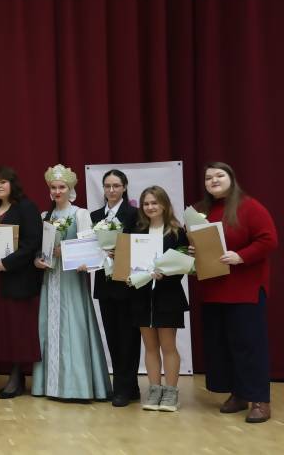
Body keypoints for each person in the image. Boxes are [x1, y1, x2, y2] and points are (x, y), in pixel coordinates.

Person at [192, 162, 277, 423]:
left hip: (245, 289)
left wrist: (241, 256)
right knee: (223, 346)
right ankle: (239, 394)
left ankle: (260, 399)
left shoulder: (249, 207)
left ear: (231, 178)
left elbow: (269, 240)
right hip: (213, 289)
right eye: (209, 177)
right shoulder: (200, 211)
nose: (214, 180)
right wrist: (194, 249)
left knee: (249, 346)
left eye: (220, 175)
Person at [32, 164, 111, 400]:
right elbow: (38, 250)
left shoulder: (80, 214)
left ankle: (78, 386)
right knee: (49, 328)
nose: (57, 191)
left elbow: (90, 247)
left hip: (72, 280)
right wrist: (38, 260)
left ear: (70, 189)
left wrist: (65, 252)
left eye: (61, 187)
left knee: (74, 326)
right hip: (50, 279)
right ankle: (49, 386)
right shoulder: (44, 217)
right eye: (53, 187)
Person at [0, 166, 43, 399]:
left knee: (17, 326)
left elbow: (32, 242)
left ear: (12, 184)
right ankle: (12, 373)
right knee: (2, 326)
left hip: (17, 277)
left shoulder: (26, 207)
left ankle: (17, 375)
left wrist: (8, 263)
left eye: (2, 182)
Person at [131, 186, 189, 412]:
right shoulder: (137, 232)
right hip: (142, 296)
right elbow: (130, 262)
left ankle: (171, 391)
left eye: (154, 202)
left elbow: (183, 265)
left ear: (164, 204)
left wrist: (166, 274)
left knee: (168, 346)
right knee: (150, 347)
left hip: (168, 296)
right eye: (146, 203)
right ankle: (154, 389)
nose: (150, 207)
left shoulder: (177, 232)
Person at [89, 169, 140, 407]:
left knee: (129, 337)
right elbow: (89, 247)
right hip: (105, 284)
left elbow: (140, 246)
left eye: (116, 186)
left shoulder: (134, 214)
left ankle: (123, 387)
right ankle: (128, 386)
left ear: (124, 187)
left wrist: (120, 252)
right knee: (112, 335)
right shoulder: (95, 215)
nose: (111, 190)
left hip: (127, 283)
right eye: (107, 186)